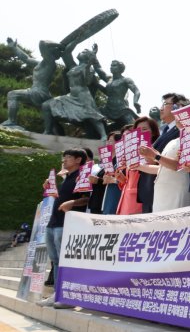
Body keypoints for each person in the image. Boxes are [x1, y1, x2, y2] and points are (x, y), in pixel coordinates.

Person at [38, 148, 91, 308]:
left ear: (78, 160)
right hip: (53, 223)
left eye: (68, 157)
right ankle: (57, 293)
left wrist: (72, 203)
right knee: (55, 260)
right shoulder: (66, 178)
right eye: (64, 157)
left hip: (68, 223)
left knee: (65, 260)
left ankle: (68, 296)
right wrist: (49, 189)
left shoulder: (82, 177)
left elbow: (87, 199)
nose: (64, 160)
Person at [41, 44, 107, 140]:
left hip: (83, 95)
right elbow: (66, 53)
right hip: (71, 96)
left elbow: (87, 81)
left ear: (88, 57)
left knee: (91, 114)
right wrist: (76, 40)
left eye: (84, 52)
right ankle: (48, 131)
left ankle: (104, 135)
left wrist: (89, 64)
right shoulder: (73, 66)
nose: (81, 52)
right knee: (46, 105)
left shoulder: (88, 68)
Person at [138, 93, 186, 212]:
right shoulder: (165, 130)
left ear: (177, 106)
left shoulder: (181, 131)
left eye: (165, 104)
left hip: (174, 190)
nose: (161, 108)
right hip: (156, 189)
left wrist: (154, 156)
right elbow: (158, 161)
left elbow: (175, 164)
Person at [139, 115, 190, 212]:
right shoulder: (172, 142)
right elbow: (161, 169)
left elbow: (176, 166)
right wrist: (138, 166)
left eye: (181, 114)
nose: (178, 118)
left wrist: (155, 156)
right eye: (177, 115)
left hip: (177, 192)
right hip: (162, 194)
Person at [2, 40, 63, 129]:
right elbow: (26, 59)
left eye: (46, 51)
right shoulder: (40, 63)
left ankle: (11, 121)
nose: (42, 53)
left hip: (39, 92)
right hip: (38, 92)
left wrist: (59, 45)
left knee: (12, 94)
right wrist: (14, 48)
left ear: (49, 53)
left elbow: (42, 43)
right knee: (50, 116)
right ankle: (54, 130)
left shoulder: (50, 63)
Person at [100, 60, 142, 129]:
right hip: (108, 108)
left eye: (114, 65)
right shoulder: (109, 79)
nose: (111, 67)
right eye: (111, 65)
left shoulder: (126, 80)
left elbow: (136, 91)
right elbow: (99, 69)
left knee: (132, 126)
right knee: (96, 116)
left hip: (121, 109)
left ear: (120, 68)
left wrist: (135, 102)